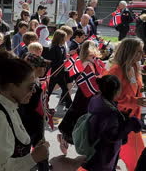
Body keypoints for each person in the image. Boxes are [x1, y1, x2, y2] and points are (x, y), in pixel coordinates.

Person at [0, 51, 49, 171]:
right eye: (30, 87)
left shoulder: (11, 108)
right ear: (11, 86)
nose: (34, 91)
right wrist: (33, 158)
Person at [81, 75, 142, 171]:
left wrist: (122, 116)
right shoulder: (110, 112)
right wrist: (130, 123)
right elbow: (113, 136)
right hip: (103, 157)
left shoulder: (96, 100)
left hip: (95, 150)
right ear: (116, 92)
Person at [104, 38, 146, 170]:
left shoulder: (134, 67)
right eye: (139, 52)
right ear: (129, 52)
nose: (142, 55)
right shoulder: (115, 71)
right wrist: (135, 101)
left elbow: (135, 89)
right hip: (121, 122)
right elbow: (110, 97)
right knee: (137, 160)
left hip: (132, 121)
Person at [57, 40, 103, 153]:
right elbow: (94, 79)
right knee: (80, 116)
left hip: (86, 93)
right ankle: (66, 137)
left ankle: (65, 137)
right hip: (86, 93)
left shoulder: (88, 61)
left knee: (79, 115)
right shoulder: (87, 63)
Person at [19, 53, 50, 171]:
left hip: (36, 121)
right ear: (34, 68)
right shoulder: (28, 83)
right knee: (34, 151)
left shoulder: (36, 80)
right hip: (29, 123)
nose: (45, 69)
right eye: (43, 66)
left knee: (41, 151)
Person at [45, 30, 72, 109]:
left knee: (65, 89)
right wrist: (63, 61)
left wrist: (66, 58)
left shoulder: (63, 47)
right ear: (59, 39)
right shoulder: (53, 48)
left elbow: (62, 58)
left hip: (61, 73)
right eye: (64, 38)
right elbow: (52, 62)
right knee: (49, 90)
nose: (65, 40)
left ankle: (69, 104)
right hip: (54, 73)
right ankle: (44, 103)